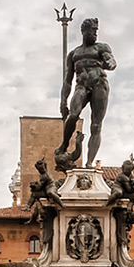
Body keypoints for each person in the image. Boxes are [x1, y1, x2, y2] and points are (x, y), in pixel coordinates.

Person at [56, 18, 115, 169]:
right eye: (92, 30)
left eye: (96, 30)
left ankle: (89, 163)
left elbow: (110, 59)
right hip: (81, 85)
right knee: (73, 115)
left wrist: (110, 63)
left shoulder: (101, 47)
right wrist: (63, 101)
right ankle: (64, 144)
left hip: (99, 84)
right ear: (83, 32)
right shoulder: (74, 54)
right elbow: (67, 81)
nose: (95, 33)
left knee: (96, 125)